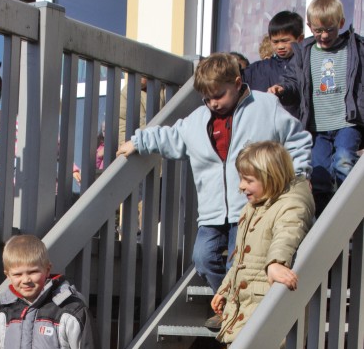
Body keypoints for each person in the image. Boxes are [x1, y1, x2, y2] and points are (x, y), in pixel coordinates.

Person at [116, 52, 312, 328]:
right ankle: (231, 303)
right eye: (206, 98)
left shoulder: (265, 106)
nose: (213, 103)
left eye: (218, 95)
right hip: (212, 209)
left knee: (240, 260)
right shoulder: (198, 119)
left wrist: (300, 173)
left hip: (252, 206)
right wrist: (139, 142)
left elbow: (297, 139)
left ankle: (243, 314)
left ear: (236, 82)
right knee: (203, 258)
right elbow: (172, 137)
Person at [210, 142, 314, 349]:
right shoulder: (253, 207)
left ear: (270, 177)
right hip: (244, 303)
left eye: (248, 180)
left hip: (265, 299)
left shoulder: (291, 202)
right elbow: (239, 258)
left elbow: (288, 232)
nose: (242, 187)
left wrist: (275, 262)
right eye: (241, 179)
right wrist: (225, 288)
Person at [269, 0, 364, 216]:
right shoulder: (305, 52)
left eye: (329, 29)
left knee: (343, 161)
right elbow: (294, 82)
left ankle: (351, 211)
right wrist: (282, 90)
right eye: (317, 30)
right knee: (319, 173)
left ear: (340, 24)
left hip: (346, 121)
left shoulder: (355, 48)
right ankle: (324, 218)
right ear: (310, 27)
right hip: (317, 126)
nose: (323, 35)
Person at [242, 11, 305, 119]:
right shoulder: (259, 69)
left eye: (285, 41)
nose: (280, 46)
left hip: (298, 127)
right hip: (266, 127)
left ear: (300, 39)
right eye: (275, 42)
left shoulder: (306, 64)